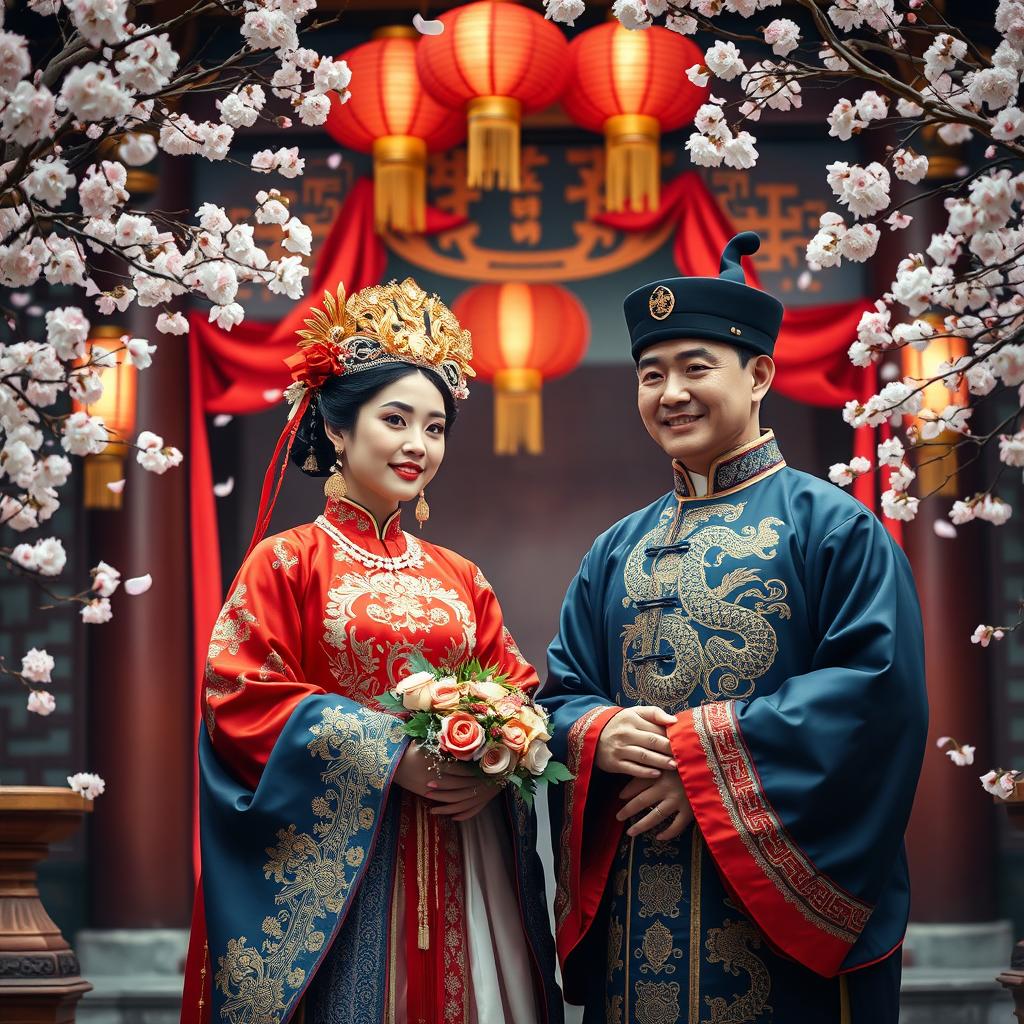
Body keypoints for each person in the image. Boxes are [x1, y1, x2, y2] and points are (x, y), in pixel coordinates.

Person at [540, 233, 928, 1023]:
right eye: (651, 375)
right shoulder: (616, 547)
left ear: (758, 376)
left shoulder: (832, 528)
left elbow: (875, 697)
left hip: (773, 913)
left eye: (694, 369)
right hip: (637, 898)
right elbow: (562, 693)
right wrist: (597, 734)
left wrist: (701, 758)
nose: (670, 393)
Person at [180, 278, 562, 1024]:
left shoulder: (460, 575)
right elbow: (238, 694)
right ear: (340, 429)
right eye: (396, 420)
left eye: (436, 427)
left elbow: (519, 687)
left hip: (464, 856)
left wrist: (495, 762)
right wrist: (394, 755)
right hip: (342, 861)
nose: (418, 444)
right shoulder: (286, 563)